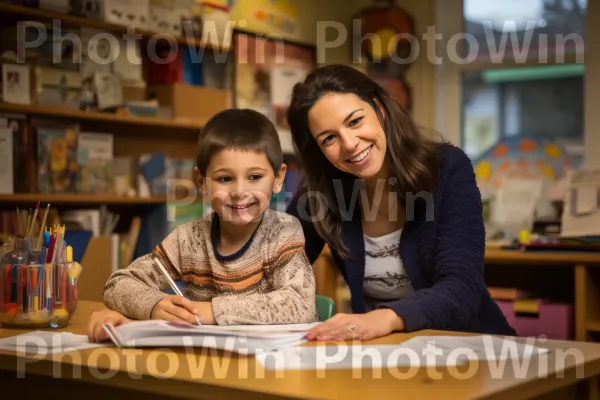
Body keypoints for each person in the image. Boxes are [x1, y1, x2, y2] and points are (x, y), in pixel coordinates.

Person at [285, 64, 516, 341]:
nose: (349, 144)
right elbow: (276, 268)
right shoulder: (321, 193)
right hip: (382, 357)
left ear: (380, 108)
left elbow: (461, 288)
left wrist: (386, 318)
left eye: (355, 121)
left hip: (471, 350)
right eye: (329, 138)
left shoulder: (447, 168)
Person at [87, 109, 319, 342]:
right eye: (224, 179)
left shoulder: (283, 232)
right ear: (202, 182)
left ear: (278, 178)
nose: (239, 192)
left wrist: (209, 311)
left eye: (255, 177)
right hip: (206, 362)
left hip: (274, 367)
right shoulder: (188, 239)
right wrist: (155, 305)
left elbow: (300, 303)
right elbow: (117, 285)